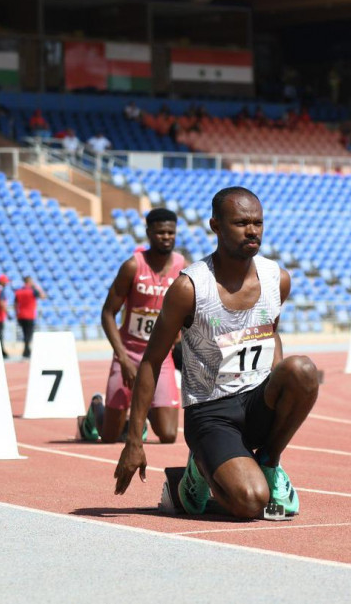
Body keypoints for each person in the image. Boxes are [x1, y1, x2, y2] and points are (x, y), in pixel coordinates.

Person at [114, 187, 319, 520]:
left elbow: (272, 333)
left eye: (258, 223)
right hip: (212, 412)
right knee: (251, 503)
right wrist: (134, 440)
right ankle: (196, 469)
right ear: (216, 226)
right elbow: (152, 361)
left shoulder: (276, 279)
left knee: (302, 370)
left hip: (256, 401)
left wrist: (274, 382)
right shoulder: (189, 288)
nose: (252, 231)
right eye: (241, 223)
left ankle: (269, 461)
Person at [77, 209, 186, 444]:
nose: (166, 237)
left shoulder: (181, 265)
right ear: (148, 233)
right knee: (109, 437)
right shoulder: (132, 266)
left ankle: (142, 406)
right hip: (129, 352)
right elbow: (107, 313)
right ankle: (97, 406)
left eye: (170, 232)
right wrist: (123, 358)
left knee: (168, 435)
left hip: (160, 355)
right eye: (160, 233)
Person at [14, 276, 46, 359]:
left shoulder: (18, 291)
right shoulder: (33, 291)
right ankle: (26, 351)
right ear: (29, 282)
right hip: (29, 315)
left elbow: (15, 304)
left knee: (25, 333)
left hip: (21, 315)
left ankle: (26, 350)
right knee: (28, 333)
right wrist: (36, 286)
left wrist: (16, 314)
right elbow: (43, 296)